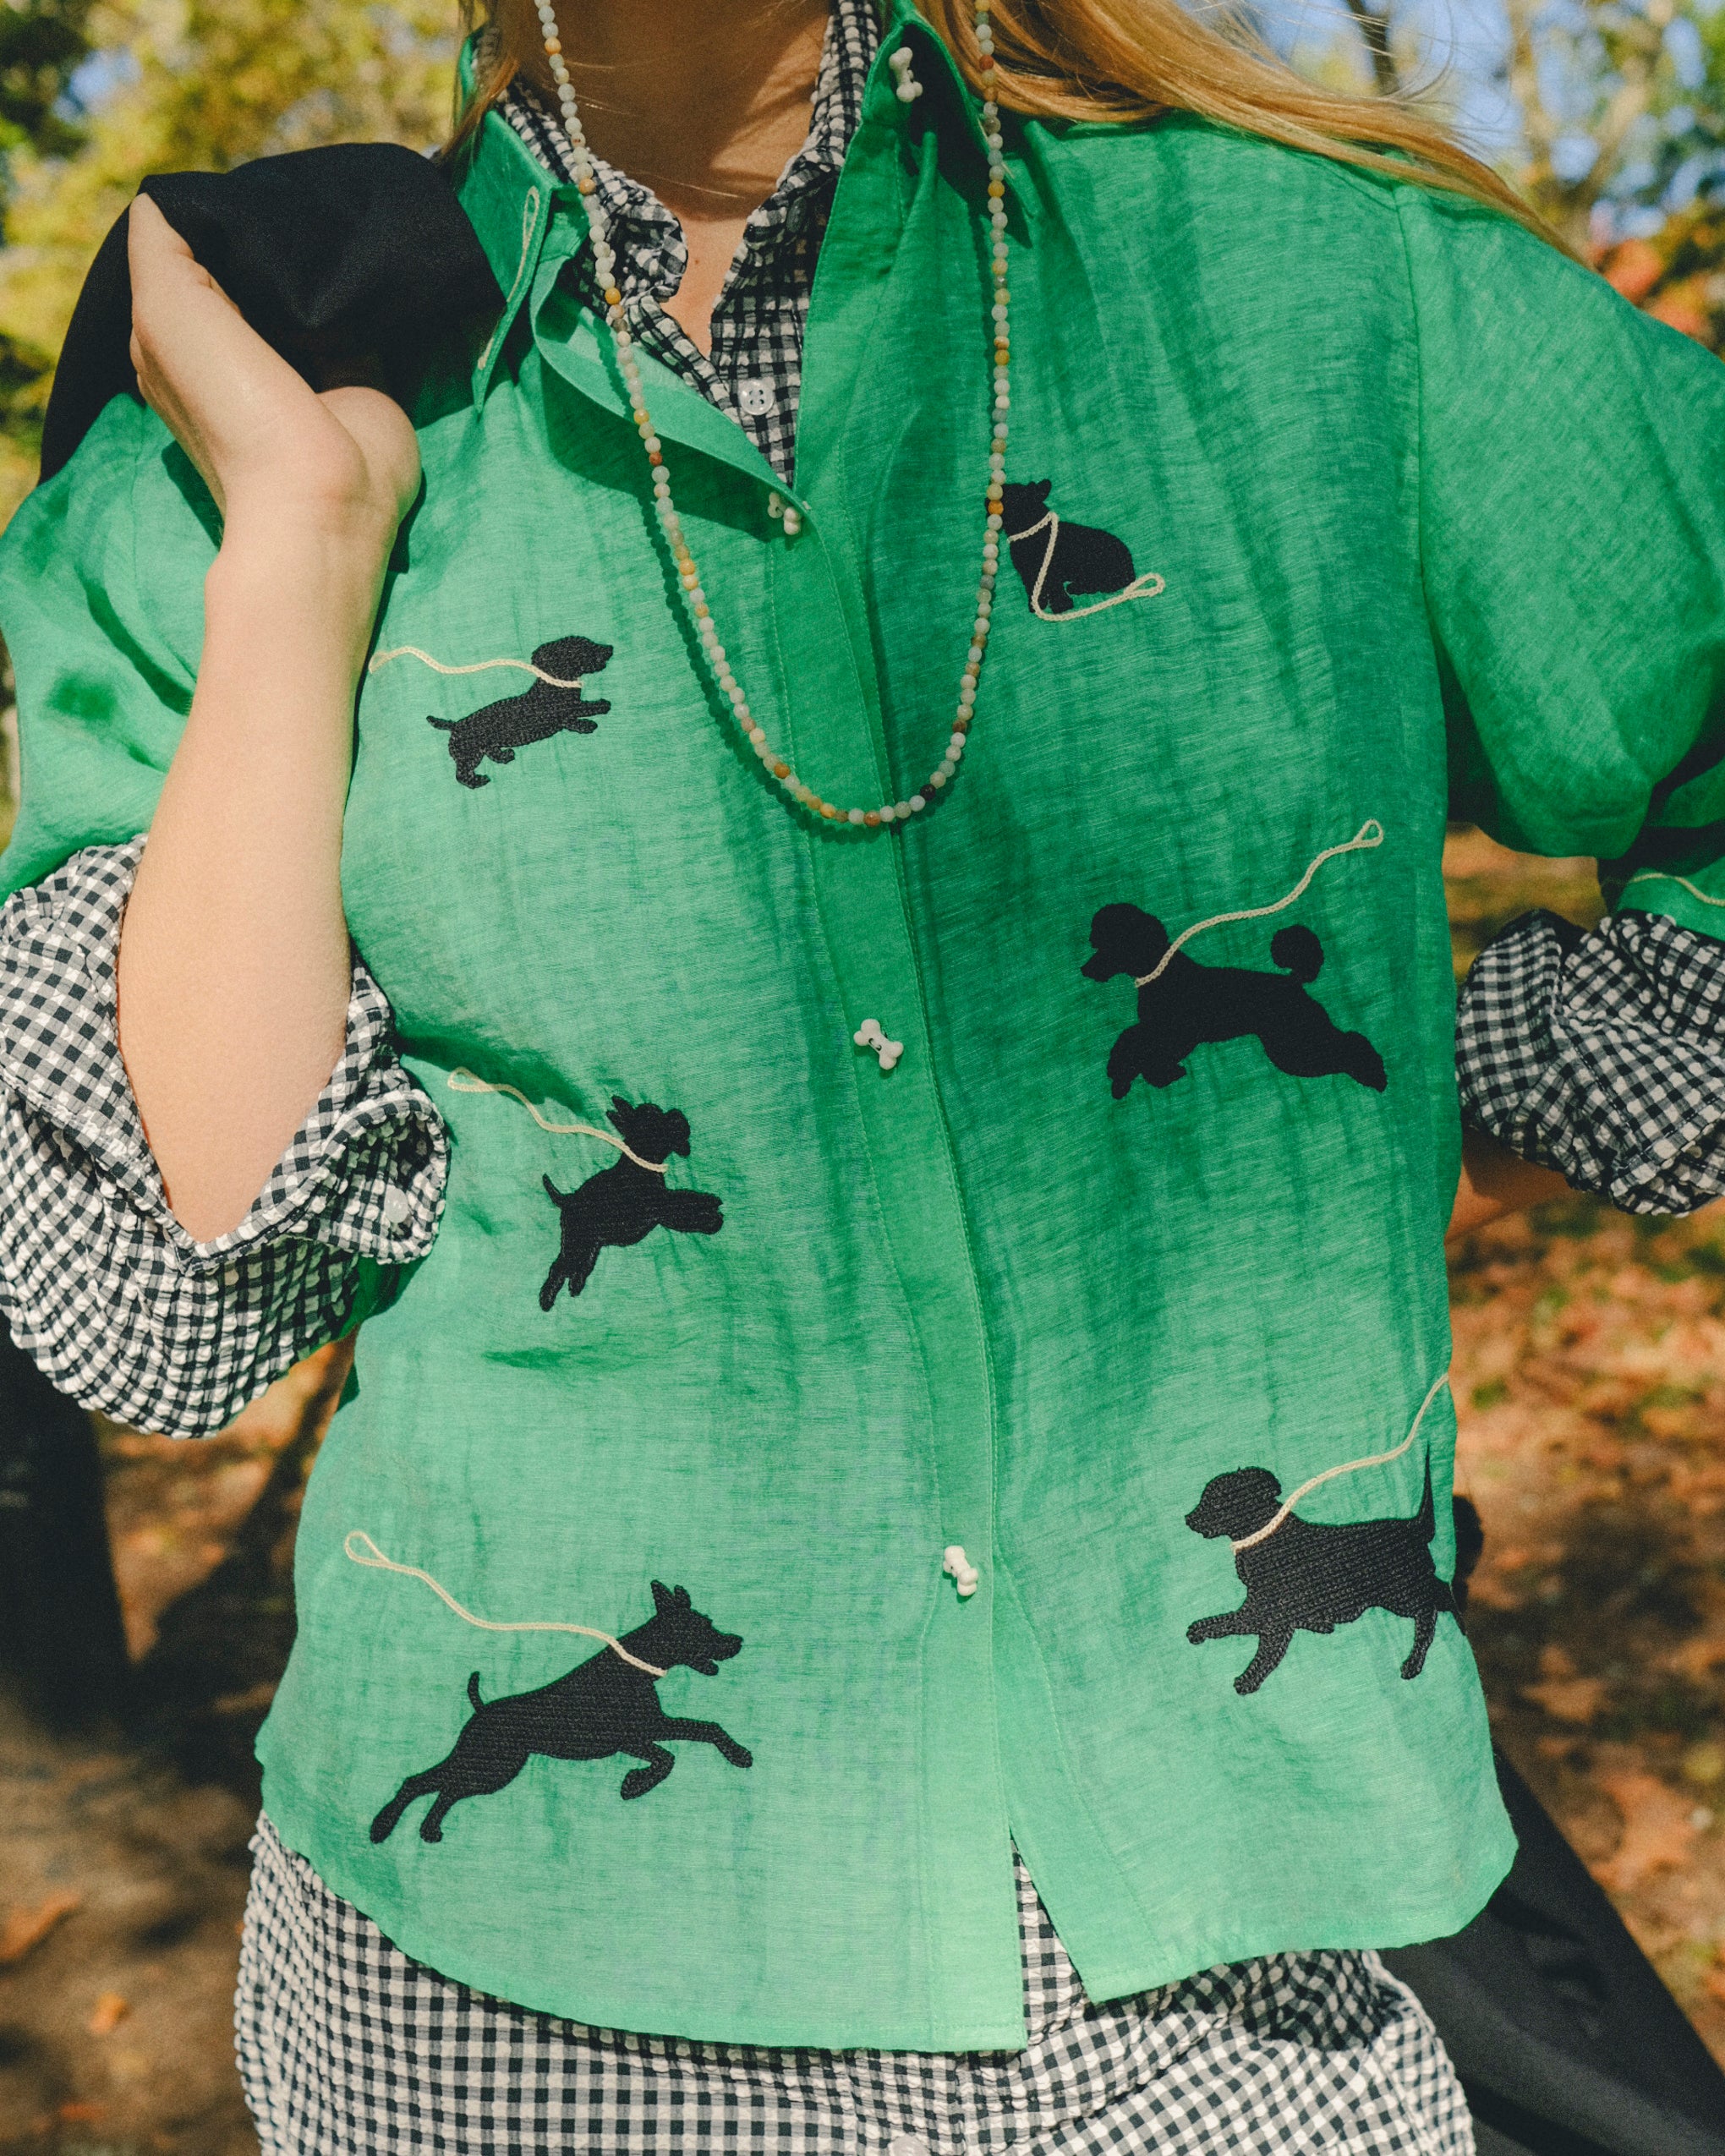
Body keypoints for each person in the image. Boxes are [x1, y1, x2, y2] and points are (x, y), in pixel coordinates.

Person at [4, 0, 1725, 2144]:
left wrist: (1451, 1060)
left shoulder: (1318, 289)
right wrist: (297, 548)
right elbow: (153, 1318)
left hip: (1216, 2016)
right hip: (486, 2028)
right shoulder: (264, 389)